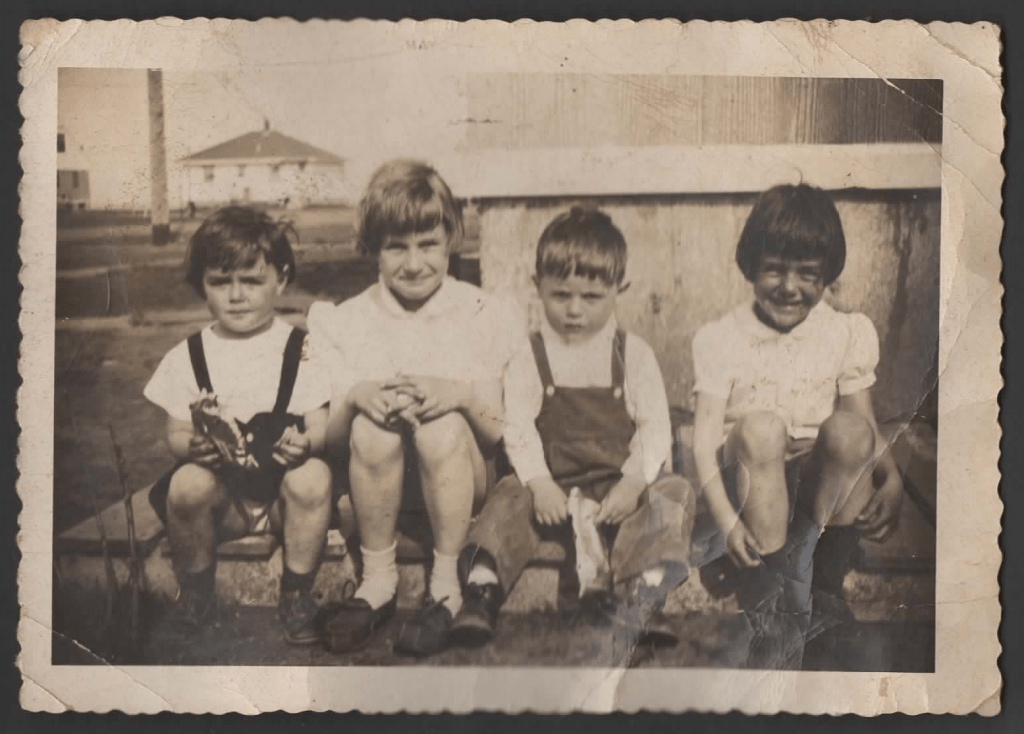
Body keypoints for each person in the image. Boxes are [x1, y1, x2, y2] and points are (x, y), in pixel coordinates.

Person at [451, 207, 696, 651]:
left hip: (617, 487)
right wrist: (539, 482)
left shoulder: (633, 354)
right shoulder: (530, 356)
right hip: (553, 489)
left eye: (591, 297)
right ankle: (482, 590)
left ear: (618, 289)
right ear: (538, 286)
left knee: (672, 492)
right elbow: (518, 426)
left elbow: (654, 428)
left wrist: (634, 482)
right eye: (561, 295)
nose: (575, 310)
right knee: (508, 494)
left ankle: (643, 593)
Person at [308, 160, 526, 656]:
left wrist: (459, 394)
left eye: (428, 244)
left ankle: (446, 585)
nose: (413, 263)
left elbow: (495, 432)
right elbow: (335, 442)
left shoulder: (480, 312)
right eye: (396, 247)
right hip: (379, 490)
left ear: (451, 239)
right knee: (371, 428)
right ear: (373, 248)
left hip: (462, 479)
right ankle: (378, 582)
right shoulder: (348, 321)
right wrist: (356, 397)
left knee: (437, 426)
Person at [690, 183, 904, 669]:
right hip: (751, 486)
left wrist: (890, 479)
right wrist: (726, 524)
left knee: (850, 431)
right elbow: (703, 444)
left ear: (827, 274)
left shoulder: (844, 331)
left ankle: (824, 589)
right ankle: (769, 603)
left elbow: (865, 422)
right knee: (762, 429)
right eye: (774, 269)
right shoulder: (722, 338)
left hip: (813, 491)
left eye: (807, 274)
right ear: (750, 266)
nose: (790, 287)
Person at [144, 206, 333, 646]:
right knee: (186, 484)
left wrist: (306, 443)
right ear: (201, 285)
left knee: (315, 475)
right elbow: (175, 433)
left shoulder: (301, 348)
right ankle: (197, 594)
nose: (236, 295)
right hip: (224, 502)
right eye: (220, 282)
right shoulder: (188, 354)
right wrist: (191, 447)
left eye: (251, 281)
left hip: (286, 502)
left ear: (280, 280)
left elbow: (320, 426)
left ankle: (296, 594)